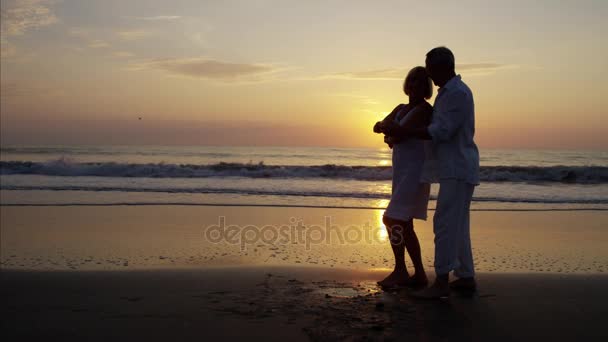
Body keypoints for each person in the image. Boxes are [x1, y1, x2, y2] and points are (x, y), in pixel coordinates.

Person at [383, 47, 480, 298]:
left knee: (445, 224)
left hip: (457, 166)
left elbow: (441, 131)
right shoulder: (448, 93)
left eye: (430, 68)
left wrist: (404, 132)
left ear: (443, 67)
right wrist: (400, 133)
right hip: (454, 167)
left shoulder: (456, 93)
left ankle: (441, 282)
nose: (428, 73)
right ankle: (466, 276)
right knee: (458, 225)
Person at [373, 66, 433, 289]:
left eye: (421, 81)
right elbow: (377, 126)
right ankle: (418, 274)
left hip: (415, 171)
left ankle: (400, 270)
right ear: (407, 84)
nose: (415, 85)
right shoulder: (401, 107)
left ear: (426, 87)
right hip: (401, 171)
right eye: (413, 80)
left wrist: (390, 131)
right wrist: (388, 129)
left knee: (391, 219)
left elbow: (395, 133)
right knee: (405, 223)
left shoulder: (425, 109)